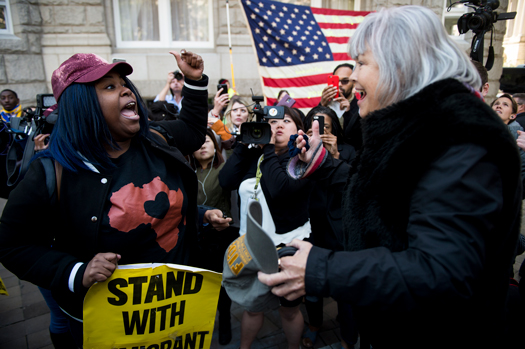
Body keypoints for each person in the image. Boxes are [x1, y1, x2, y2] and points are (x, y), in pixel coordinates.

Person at [258, 6, 522, 348]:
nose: (352, 78)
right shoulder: (418, 127)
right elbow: (386, 193)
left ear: (401, 63)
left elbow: (443, 273)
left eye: (362, 63)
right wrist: (323, 163)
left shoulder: (460, 136)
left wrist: (322, 269)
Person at [0, 51, 231, 346]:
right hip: (107, 326)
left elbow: (191, 132)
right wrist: (76, 272)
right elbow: (12, 245)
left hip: (176, 314)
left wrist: (199, 215)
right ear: (80, 105)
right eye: (109, 86)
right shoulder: (51, 172)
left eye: (123, 83)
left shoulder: (155, 139)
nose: (125, 89)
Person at [219, 107, 311, 349]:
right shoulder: (255, 156)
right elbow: (225, 181)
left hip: (287, 246)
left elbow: (281, 190)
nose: (277, 125)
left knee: (289, 310)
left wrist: (269, 149)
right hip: (252, 247)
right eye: (271, 121)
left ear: (298, 129)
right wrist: (244, 144)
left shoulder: (301, 159)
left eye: (285, 121)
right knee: (252, 306)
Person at [301, 106, 357, 348]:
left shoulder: (349, 151)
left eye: (324, 126)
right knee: (312, 283)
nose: (320, 131)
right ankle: (314, 324)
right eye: (314, 126)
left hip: (341, 229)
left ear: (334, 128)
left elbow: (352, 189)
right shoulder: (303, 151)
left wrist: (334, 156)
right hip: (313, 227)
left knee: (345, 288)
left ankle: (347, 337)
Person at [187, 128, 239, 345]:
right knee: (198, 284)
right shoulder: (186, 173)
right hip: (194, 238)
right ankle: (200, 324)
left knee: (221, 283)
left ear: (215, 145)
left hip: (221, 236)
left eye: (207, 140)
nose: (202, 145)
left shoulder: (225, 170)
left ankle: (225, 320)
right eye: (197, 142)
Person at [319, 63, 361, 149]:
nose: (339, 84)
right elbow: (313, 130)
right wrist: (321, 106)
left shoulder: (360, 106)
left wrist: (348, 113)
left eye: (345, 81)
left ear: (353, 83)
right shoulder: (325, 104)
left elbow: (358, 138)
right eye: (336, 80)